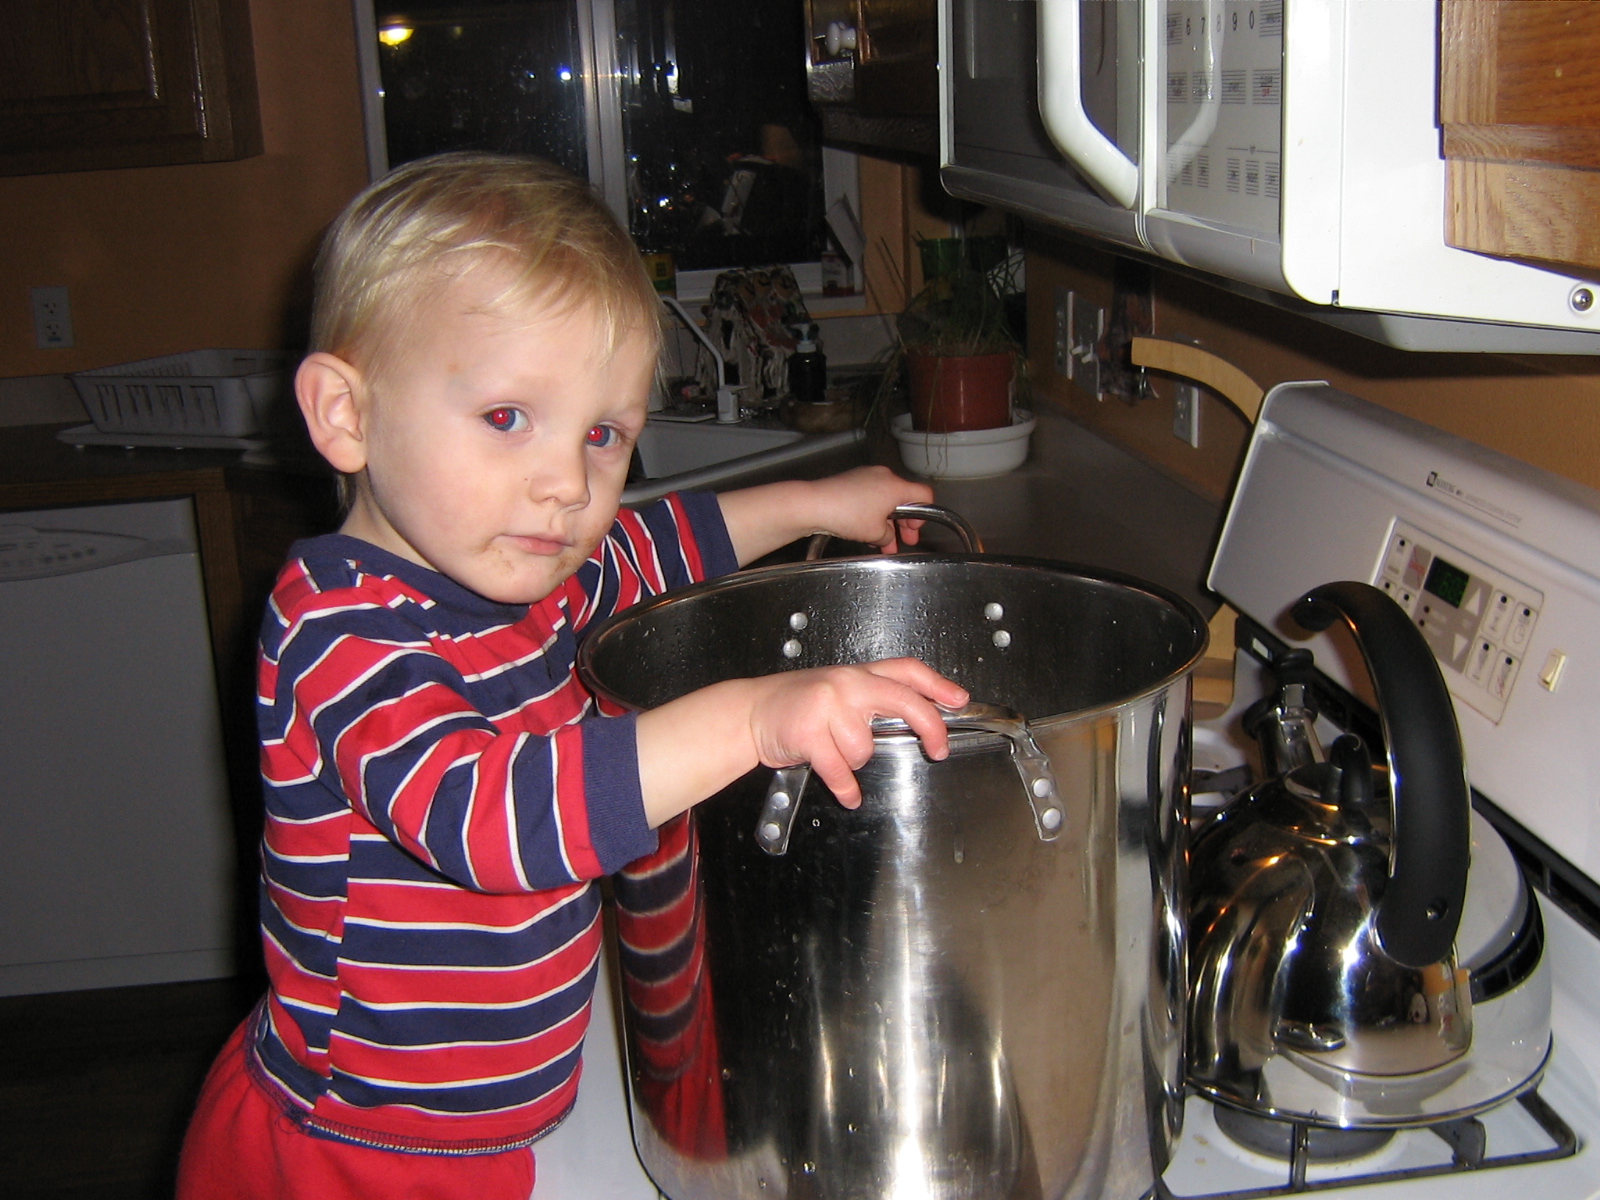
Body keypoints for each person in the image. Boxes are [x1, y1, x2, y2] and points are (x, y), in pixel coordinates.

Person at [175, 151, 966, 1200]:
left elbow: (655, 544)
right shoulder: (336, 629)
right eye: (508, 418)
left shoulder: (523, 576)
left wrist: (813, 504)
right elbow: (493, 815)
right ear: (346, 416)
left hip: (486, 1126)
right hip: (351, 1148)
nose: (565, 484)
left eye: (602, 434)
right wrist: (752, 719)